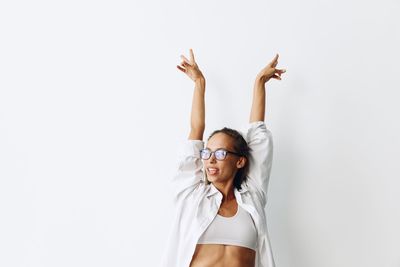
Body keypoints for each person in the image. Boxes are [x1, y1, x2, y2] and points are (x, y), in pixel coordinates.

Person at [160, 49, 286, 267]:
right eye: (207, 153)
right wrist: (199, 84)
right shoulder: (192, 196)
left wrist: (259, 84)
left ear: (240, 161)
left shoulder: (252, 197)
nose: (210, 160)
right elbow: (196, 130)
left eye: (220, 154)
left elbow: (257, 135)